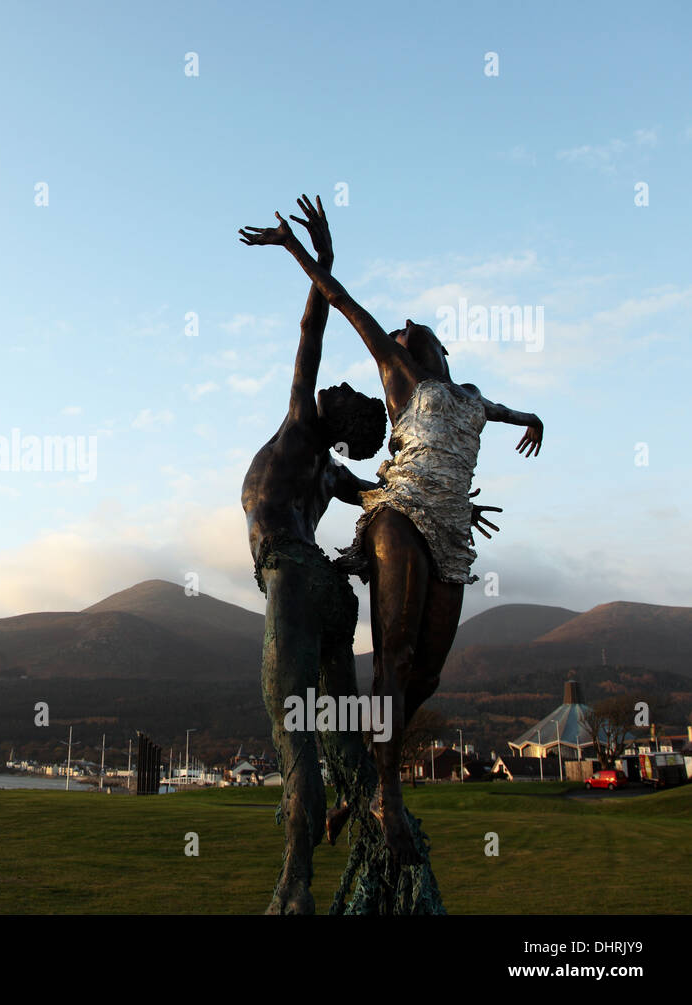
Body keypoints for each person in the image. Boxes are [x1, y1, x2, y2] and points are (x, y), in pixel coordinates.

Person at [239, 202, 535, 861]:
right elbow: (332, 310)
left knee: (403, 680)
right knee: (371, 676)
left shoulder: (457, 399)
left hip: (381, 547)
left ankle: (353, 793)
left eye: (408, 333)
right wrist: (311, 253)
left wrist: (531, 422)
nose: (396, 338)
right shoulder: (370, 415)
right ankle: (376, 796)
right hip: (360, 545)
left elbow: (505, 410)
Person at [241, 195, 386, 913]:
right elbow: (384, 504)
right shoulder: (336, 477)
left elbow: (311, 330)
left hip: (295, 581)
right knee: (343, 740)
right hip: (331, 593)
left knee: (296, 735)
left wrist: (317, 262)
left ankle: (295, 889)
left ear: (340, 421)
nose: (337, 386)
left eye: (350, 395)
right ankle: (391, 851)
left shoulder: (304, 425)